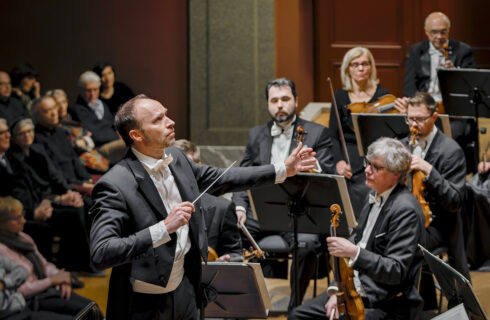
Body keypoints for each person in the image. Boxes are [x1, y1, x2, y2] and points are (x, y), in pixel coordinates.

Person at [89, 94, 316, 320]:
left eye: (166, 114)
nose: (170, 121)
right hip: (142, 303)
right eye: (158, 120)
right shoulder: (115, 184)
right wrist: (164, 228)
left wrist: (283, 170)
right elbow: (102, 252)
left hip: (186, 291)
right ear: (136, 135)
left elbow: (225, 177)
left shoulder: (176, 157)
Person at [288, 138, 425, 320]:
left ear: (397, 175)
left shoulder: (406, 210)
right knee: (298, 316)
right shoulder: (373, 194)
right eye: (368, 163)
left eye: (376, 167)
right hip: (354, 290)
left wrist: (354, 252)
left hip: (385, 301)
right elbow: (359, 243)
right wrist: (337, 292)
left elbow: (396, 270)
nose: (367, 170)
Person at [231, 77, 335, 309]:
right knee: (228, 231)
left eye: (285, 99)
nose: (280, 105)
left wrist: (313, 165)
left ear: (296, 101)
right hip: (261, 212)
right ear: (268, 104)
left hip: (297, 213)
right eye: (274, 100)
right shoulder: (256, 134)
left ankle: (295, 308)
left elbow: (329, 175)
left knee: (307, 245)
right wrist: (239, 206)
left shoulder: (318, 133)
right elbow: (242, 175)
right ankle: (242, 303)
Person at [403, 92, 469, 309]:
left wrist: (430, 171)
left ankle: (423, 307)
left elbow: (455, 201)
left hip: (439, 223)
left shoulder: (451, 151)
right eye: (410, 118)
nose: (413, 124)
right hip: (409, 219)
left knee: (406, 246)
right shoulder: (403, 145)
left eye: (420, 119)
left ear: (434, 117)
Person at [329, 47, 407, 217]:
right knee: (342, 181)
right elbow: (333, 136)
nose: (360, 68)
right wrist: (339, 162)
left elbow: (395, 134)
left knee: (366, 185)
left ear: (371, 67)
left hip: (374, 151)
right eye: (355, 64)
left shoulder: (383, 95)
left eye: (365, 64)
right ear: (348, 69)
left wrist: (404, 113)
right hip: (348, 151)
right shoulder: (340, 96)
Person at [0, 196, 102, 319]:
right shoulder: (2, 249)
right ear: (2, 222)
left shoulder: (23, 237)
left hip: (46, 289)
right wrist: (52, 280)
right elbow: (22, 289)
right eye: (17, 218)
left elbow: (45, 265)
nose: (23, 220)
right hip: (31, 298)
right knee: (84, 315)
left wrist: (62, 277)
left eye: (22, 215)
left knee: (92, 308)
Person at [174, 139, 242, 262]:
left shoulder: (222, 208)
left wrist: (224, 260)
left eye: (186, 167)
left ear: (199, 166)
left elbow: (235, 254)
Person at [403, 12, 475, 101]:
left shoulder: (464, 50)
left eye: (443, 32)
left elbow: (471, 85)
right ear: (426, 31)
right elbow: (409, 86)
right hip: (424, 102)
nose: (439, 36)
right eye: (434, 32)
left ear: (449, 30)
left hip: (451, 102)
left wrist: (455, 72)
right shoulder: (416, 50)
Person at [70, 70, 127, 165]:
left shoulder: (102, 104)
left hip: (114, 141)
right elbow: (96, 135)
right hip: (99, 148)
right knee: (133, 143)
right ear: (81, 90)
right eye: (88, 90)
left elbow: (112, 124)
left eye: (95, 89)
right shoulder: (77, 109)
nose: (92, 94)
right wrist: (116, 135)